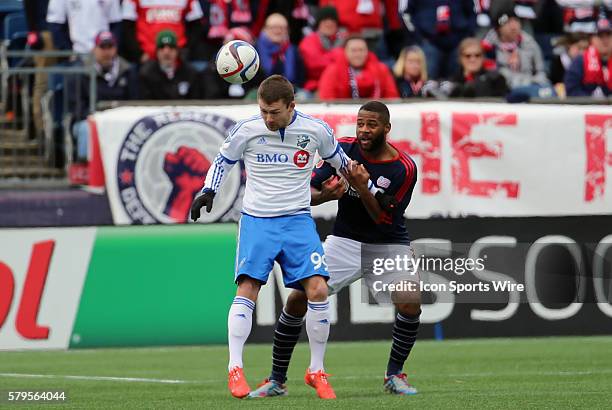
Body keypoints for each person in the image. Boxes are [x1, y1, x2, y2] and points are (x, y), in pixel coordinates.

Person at [190, 75, 386, 399]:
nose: (268, 118)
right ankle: (235, 368)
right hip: (258, 221)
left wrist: (371, 188)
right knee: (248, 287)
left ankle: (316, 370)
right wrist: (208, 190)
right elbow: (222, 160)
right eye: (264, 111)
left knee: (318, 289)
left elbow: (344, 164)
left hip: (297, 221)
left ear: (291, 106)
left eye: (275, 112)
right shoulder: (247, 130)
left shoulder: (316, 130)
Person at [248, 100, 421, 398]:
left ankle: (394, 374)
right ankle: (277, 379)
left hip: (388, 243)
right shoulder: (341, 149)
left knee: (410, 298)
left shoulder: (403, 168)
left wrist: (362, 187)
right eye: (361, 124)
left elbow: (384, 220)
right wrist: (326, 196)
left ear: (387, 129)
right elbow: (306, 192)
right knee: (297, 300)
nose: (364, 130)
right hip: (344, 241)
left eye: (372, 125)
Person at [68, 31, 138, 161]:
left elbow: (135, 101)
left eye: (110, 47)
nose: (106, 52)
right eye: (102, 47)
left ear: (116, 49)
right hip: (90, 119)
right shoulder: (80, 72)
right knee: (85, 129)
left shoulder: (128, 71)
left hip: (121, 120)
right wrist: (100, 118)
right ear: (94, 49)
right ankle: (86, 168)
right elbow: (76, 107)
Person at [482, 10, 554, 98]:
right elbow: (492, 74)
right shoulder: (489, 47)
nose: (513, 27)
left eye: (516, 21)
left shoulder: (529, 43)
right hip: (503, 90)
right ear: (499, 28)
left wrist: (533, 82)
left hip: (530, 86)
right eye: (508, 23)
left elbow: (541, 71)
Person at [121, 0, 204, 64]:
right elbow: (127, 27)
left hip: (177, 57)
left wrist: (185, 49)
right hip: (147, 57)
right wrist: (139, 54)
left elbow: (197, 25)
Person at [318, 36, 399, 100]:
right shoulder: (332, 71)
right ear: (345, 52)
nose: (358, 54)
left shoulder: (381, 69)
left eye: (361, 50)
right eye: (353, 50)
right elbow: (327, 99)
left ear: (367, 51)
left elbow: (391, 97)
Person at [139, 30, 201, 99]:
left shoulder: (190, 73)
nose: (166, 53)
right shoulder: (147, 74)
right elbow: (145, 104)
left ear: (177, 51)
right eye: (162, 48)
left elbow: (196, 103)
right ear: (156, 52)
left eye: (171, 47)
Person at [298, 6, 345, 96]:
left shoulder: (344, 39)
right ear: (319, 24)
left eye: (332, 21)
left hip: (340, 88)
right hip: (315, 88)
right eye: (325, 21)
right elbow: (315, 64)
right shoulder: (309, 40)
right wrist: (337, 54)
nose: (329, 24)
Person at [564, 13, 612, 97]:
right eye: (600, 36)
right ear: (592, 39)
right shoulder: (580, 61)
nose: (605, 40)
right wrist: (592, 102)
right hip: (585, 108)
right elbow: (571, 90)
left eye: (608, 35)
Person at [256, 13, 304, 87]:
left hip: (289, 91)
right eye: (273, 27)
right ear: (264, 29)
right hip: (258, 90)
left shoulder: (294, 51)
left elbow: (300, 77)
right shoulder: (254, 50)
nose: (278, 31)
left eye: (282, 28)